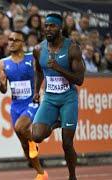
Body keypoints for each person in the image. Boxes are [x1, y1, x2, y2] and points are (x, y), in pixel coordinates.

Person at [32, 13, 85, 180]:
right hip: (49, 97)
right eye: (46, 25)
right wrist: (36, 91)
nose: (48, 29)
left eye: (52, 26)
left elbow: (80, 80)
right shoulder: (38, 49)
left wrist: (58, 68)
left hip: (68, 98)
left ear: (60, 28)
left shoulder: (72, 48)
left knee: (67, 144)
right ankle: (57, 123)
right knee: (36, 136)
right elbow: (39, 72)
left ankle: (72, 176)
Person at [0, 31, 48, 180]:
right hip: (16, 106)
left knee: (20, 127)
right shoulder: (3, 63)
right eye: (9, 40)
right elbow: (3, 90)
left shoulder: (31, 58)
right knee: (25, 148)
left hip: (32, 102)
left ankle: (34, 141)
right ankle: (41, 173)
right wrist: (1, 83)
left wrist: (39, 92)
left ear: (22, 43)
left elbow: (41, 76)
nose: (11, 42)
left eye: (15, 40)